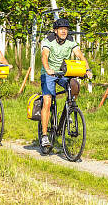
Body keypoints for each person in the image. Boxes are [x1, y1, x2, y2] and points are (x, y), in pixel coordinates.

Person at [39, 18, 93, 147]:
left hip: (64, 72)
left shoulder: (70, 40)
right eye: (61, 29)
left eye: (66, 29)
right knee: (47, 101)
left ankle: (69, 110)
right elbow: (44, 56)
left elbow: (79, 55)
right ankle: (45, 135)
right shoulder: (48, 41)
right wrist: (47, 69)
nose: (64, 31)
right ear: (55, 30)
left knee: (75, 86)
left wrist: (87, 69)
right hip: (49, 73)